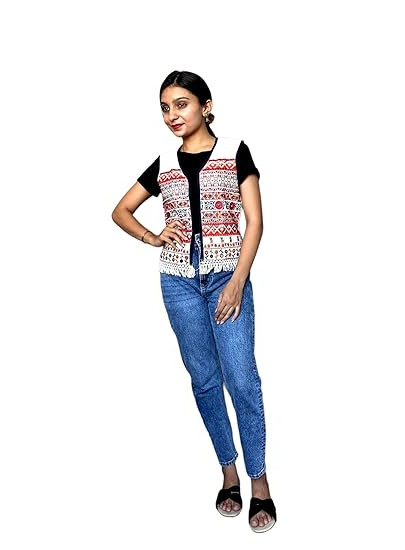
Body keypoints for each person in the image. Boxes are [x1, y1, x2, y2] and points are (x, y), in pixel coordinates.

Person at [111, 70, 276, 533]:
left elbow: (255, 221)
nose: (172, 116)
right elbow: (120, 210)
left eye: (181, 104)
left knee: (242, 381)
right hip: (178, 283)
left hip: (227, 276)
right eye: (165, 108)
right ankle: (228, 474)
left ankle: (259, 481)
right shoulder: (164, 162)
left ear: (206, 105)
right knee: (204, 381)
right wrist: (152, 236)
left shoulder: (234, 151)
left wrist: (238, 281)